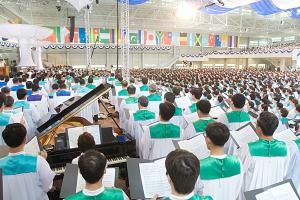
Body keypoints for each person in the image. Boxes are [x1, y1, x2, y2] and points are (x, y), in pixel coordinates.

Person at [237, 112, 293, 197]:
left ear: (259, 128)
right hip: (273, 194)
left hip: (251, 194)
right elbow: (284, 173)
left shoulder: (248, 148)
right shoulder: (284, 148)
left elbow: (239, 172)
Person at [0, 123, 55, 200]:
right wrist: (43, 160)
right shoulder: (38, 161)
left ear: (5, 141)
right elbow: (48, 186)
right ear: (25, 139)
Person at [195, 122, 243, 200]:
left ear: (209, 140)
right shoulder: (237, 162)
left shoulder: (200, 166)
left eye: (205, 136)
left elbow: (195, 193)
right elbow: (237, 190)